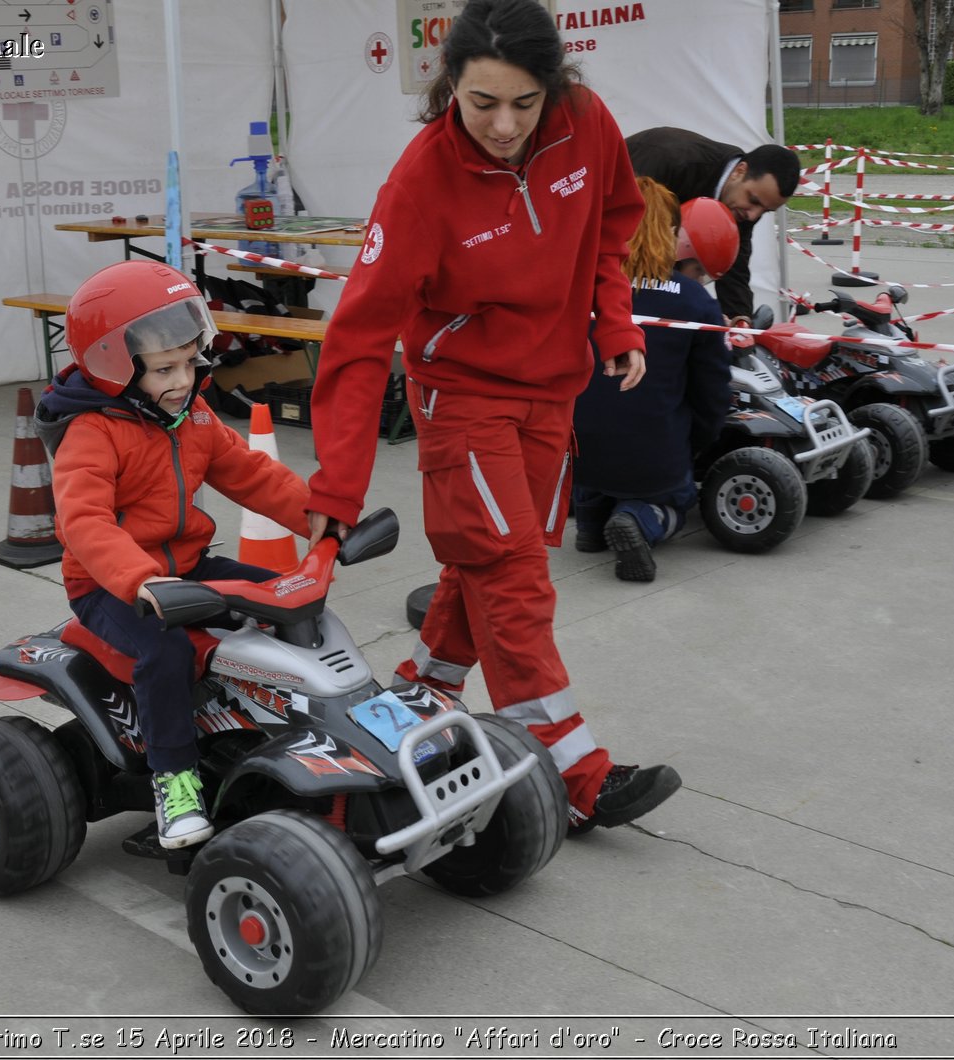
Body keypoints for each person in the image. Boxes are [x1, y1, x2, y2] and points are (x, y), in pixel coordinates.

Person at [305, 0, 680, 834]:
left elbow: (617, 222)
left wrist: (613, 321)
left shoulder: (585, 124)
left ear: (555, 87)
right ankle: (573, 767)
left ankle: (419, 695)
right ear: (450, 87)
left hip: (551, 390)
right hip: (461, 396)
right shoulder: (418, 182)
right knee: (512, 574)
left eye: (524, 102)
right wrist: (337, 486)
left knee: (482, 563)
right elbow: (359, 339)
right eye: (482, 104)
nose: (504, 125)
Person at [36, 259, 312, 849]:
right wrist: (138, 580)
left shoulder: (192, 415)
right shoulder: (93, 432)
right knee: (163, 651)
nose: (184, 379)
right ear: (116, 367)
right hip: (111, 586)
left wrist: (321, 516)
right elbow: (83, 522)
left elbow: (252, 474)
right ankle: (176, 781)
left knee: (287, 601)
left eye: (190, 362)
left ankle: (291, 727)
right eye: (165, 368)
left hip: (186, 567)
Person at [572, 184, 738, 583]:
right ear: (673, 238)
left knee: (597, 453)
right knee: (679, 494)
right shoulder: (695, 301)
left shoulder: (582, 291)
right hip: (651, 455)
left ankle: (590, 521)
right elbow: (712, 395)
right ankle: (640, 518)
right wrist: (694, 446)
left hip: (581, 449)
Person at [624, 127, 800, 325]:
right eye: (754, 200)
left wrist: (740, 322)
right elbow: (625, 236)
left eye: (765, 211)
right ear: (739, 171)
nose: (753, 215)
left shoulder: (744, 206)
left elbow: (734, 267)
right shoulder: (675, 160)